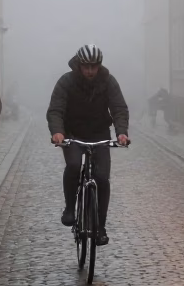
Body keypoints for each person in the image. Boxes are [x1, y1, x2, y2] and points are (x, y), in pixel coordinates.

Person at [46, 44, 129, 245]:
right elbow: (56, 109)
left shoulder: (108, 82)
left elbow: (119, 109)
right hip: (73, 134)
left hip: (99, 134)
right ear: (79, 65)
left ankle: (100, 227)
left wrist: (121, 133)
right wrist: (58, 131)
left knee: (102, 178)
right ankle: (69, 207)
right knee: (74, 166)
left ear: (99, 66)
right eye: (86, 67)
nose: (90, 71)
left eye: (94, 67)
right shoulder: (66, 82)